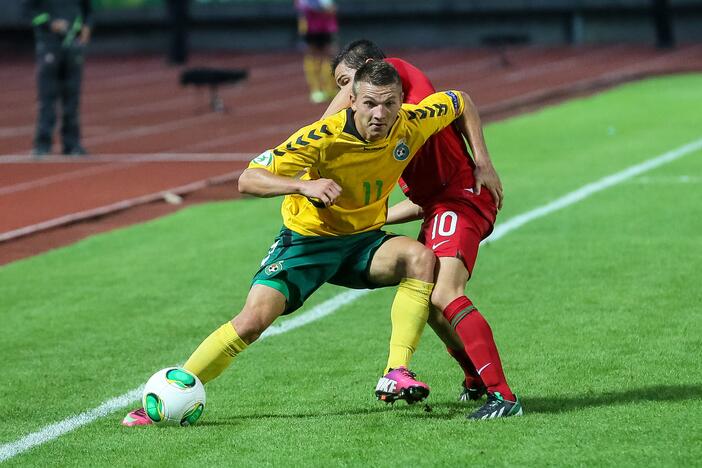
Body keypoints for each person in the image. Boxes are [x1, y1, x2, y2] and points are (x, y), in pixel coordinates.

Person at [123, 60, 481, 426]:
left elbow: (461, 100)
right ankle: (172, 392)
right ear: (352, 101)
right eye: (370, 103)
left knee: (420, 258)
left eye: (389, 103)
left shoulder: (413, 122)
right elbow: (248, 179)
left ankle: (396, 370)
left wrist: (483, 162)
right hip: (307, 243)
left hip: (361, 243)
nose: (379, 113)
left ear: (401, 101)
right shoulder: (322, 136)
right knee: (253, 321)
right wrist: (302, 185)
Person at [327, 40, 522, 419]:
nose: (344, 93)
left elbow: (461, 99)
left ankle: (504, 397)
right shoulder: (385, 129)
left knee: (446, 292)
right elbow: (422, 199)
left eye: (344, 81)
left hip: (461, 198)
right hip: (440, 204)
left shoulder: (397, 75)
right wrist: (373, 218)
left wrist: (484, 162)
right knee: (429, 303)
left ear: (371, 69)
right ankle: (475, 379)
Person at [25, 0, 91, 157]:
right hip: (49, 45)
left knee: (72, 99)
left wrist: (87, 27)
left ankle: (72, 145)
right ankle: (42, 145)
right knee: (46, 99)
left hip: (73, 47)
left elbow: (88, 11)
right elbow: (29, 12)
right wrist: (49, 23)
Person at [294, 0, 338, 103]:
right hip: (311, 28)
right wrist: (321, 8)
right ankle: (316, 89)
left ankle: (330, 88)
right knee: (313, 57)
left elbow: (332, 9)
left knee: (329, 56)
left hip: (326, 28)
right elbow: (301, 6)